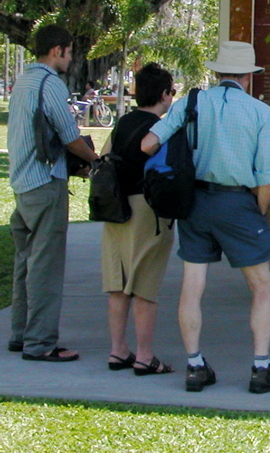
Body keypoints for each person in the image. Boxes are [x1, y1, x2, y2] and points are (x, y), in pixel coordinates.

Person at [140, 41, 270, 394]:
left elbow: (148, 143)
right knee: (262, 285)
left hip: (194, 202)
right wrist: (260, 214)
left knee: (192, 285)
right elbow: (267, 176)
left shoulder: (191, 103)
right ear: (248, 77)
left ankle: (194, 365)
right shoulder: (259, 112)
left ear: (217, 72)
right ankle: (261, 366)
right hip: (237, 203)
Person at [8, 24, 99, 361]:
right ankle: (40, 343)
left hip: (22, 183)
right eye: (71, 52)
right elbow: (70, 136)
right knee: (46, 267)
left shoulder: (23, 81)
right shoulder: (50, 84)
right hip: (46, 183)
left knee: (26, 263)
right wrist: (94, 160)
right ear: (57, 50)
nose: (71, 58)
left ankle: (21, 334)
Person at [101, 63, 176, 375]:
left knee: (118, 284)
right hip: (148, 210)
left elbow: (104, 157)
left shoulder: (122, 124)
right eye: (171, 92)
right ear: (163, 94)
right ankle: (146, 355)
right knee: (145, 284)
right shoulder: (160, 128)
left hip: (115, 208)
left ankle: (118, 350)